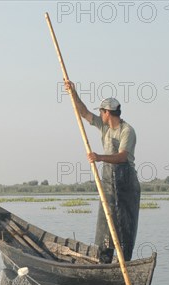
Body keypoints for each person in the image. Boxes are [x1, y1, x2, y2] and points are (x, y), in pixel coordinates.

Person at [65, 80, 140, 262]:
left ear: (107, 112)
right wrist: (72, 92)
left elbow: (122, 157)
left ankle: (125, 264)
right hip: (108, 182)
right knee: (106, 225)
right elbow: (83, 113)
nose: (99, 114)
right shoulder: (104, 126)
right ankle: (105, 262)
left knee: (124, 226)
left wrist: (99, 157)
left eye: (101, 111)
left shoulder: (127, 131)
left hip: (126, 184)